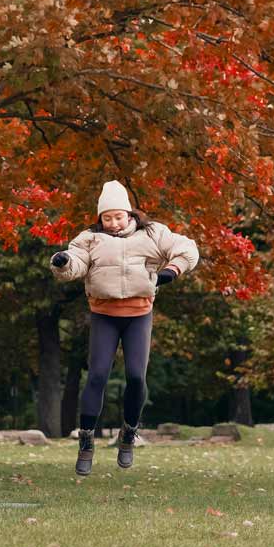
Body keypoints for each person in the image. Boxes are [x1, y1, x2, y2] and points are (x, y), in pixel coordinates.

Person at [51, 180, 199, 475]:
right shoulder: (90, 239)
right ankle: (87, 440)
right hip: (104, 314)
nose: (114, 223)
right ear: (100, 219)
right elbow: (76, 263)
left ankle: (129, 432)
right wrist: (62, 263)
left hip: (138, 313)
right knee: (97, 376)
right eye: (107, 218)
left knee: (135, 376)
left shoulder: (152, 233)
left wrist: (171, 272)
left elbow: (188, 249)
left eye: (118, 216)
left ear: (129, 214)